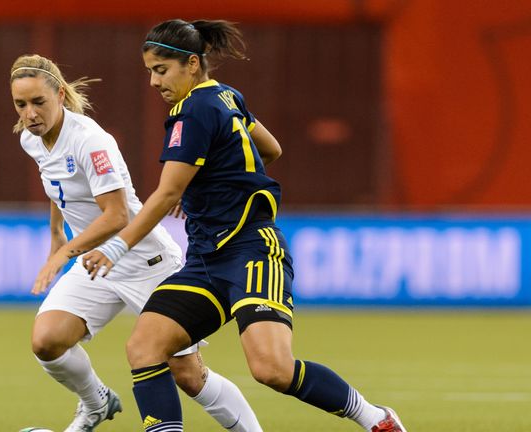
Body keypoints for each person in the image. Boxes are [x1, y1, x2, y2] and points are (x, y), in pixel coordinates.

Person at [82, 19, 408, 432]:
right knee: (146, 345)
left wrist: (115, 247)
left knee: (272, 368)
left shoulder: (192, 110)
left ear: (193, 64)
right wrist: (213, 178)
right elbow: (270, 148)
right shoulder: (225, 95)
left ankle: (376, 419)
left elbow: (165, 195)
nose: (152, 81)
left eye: (161, 70)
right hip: (206, 260)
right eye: (149, 70)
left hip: (252, 251)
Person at [10, 54, 262, 432]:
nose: (29, 113)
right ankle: (96, 404)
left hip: (145, 261)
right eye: (20, 104)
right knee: (46, 341)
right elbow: (57, 183)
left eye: (38, 102)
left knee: (188, 375)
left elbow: (117, 216)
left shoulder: (91, 141)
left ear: (60, 95)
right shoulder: (33, 138)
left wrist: (63, 252)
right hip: (97, 263)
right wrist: (56, 233)